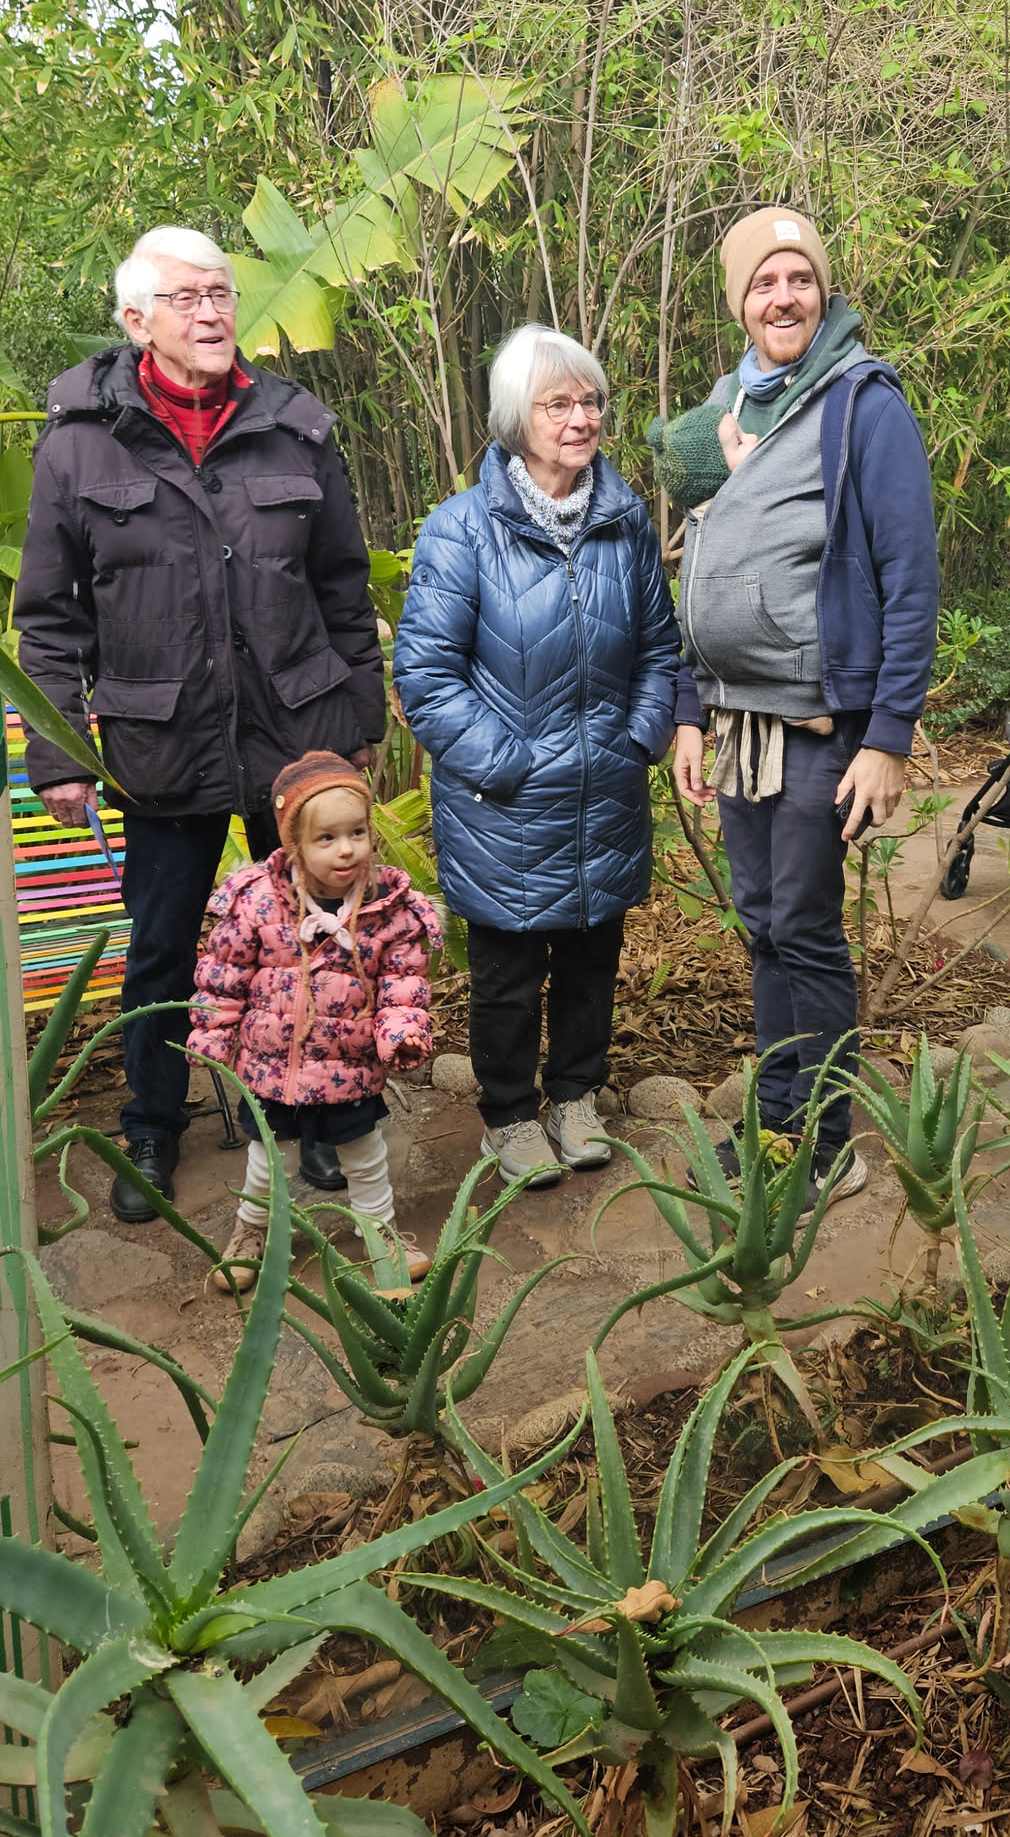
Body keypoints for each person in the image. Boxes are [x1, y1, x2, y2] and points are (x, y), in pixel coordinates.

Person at [16, 226, 385, 1224]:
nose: (213, 311)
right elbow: (49, 620)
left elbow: (343, 591)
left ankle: (315, 1116)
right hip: (159, 742)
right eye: (187, 297)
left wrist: (359, 723)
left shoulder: (294, 427)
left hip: (296, 736)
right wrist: (61, 752)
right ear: (137, 320)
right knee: (163, 946)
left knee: (311, 937)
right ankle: (152, 1121)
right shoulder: (79, 442)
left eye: (221, 292)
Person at [658, 207, 939, 1193]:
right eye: (764, 282)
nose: (784, 297)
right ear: (739, 302)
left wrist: (889, 737)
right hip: (738, 719)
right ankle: (778, 1125)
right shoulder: (726, 407)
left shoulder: (863, 402)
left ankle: (825, 1142)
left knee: (807, 929)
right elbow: (697, 567)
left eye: (800, 279)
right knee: (765, 925)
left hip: (823, 725)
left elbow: (910, 575)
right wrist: (688, 709)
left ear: (824, 291)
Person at [393, 324, 680, 1187]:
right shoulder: (462, 530)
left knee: (593, 962)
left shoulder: (626, 523)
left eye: (591, 401)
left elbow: (659, 649)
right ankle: (511, 1114)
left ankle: (576, 1097)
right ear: (517, 417)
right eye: (558, 403)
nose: (581, 418)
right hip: (505, 804)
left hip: (606, 789)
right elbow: (426, 677)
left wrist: (638, 737)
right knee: (508, 974)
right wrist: (510, 764)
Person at [187, 753, 439, 1292]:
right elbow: (224, 976)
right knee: (268, 1159)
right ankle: (251, 1230)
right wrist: (212, 1033)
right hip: (272, 1067)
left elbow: (403, 984)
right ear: (296, 845)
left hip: (349, 1067)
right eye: (327, 838)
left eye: (357, 832)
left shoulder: (390, 909)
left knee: (365, 1155)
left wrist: (400, 1032)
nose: (346, 849)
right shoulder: (258, 902)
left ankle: (379, 1232)